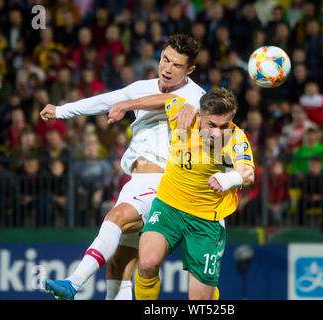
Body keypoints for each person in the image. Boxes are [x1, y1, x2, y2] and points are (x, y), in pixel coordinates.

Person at [41, 34, 205, 300]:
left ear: (190, 70)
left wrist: (128, 105)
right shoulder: (142, 86)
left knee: (115, 218)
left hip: (163, 184)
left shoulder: (196, 96)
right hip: (135, 182)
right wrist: (60, 111)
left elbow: (169, 103)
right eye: (165, 59)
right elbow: (103, 101)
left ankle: (73, 283)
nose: (167, 68)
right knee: (118, 264)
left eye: (177, 65)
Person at [124, 88, 255, 300]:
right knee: (147, 262)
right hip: (169, 206)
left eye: (224, 127)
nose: (216, 133)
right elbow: (166, 99)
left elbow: (247, 173)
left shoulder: (235, 138)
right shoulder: (184, 117)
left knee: (199, 301)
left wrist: (229, 178)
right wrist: (126, 105)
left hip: (206, 220)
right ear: (200, 116)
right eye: (211, 125)